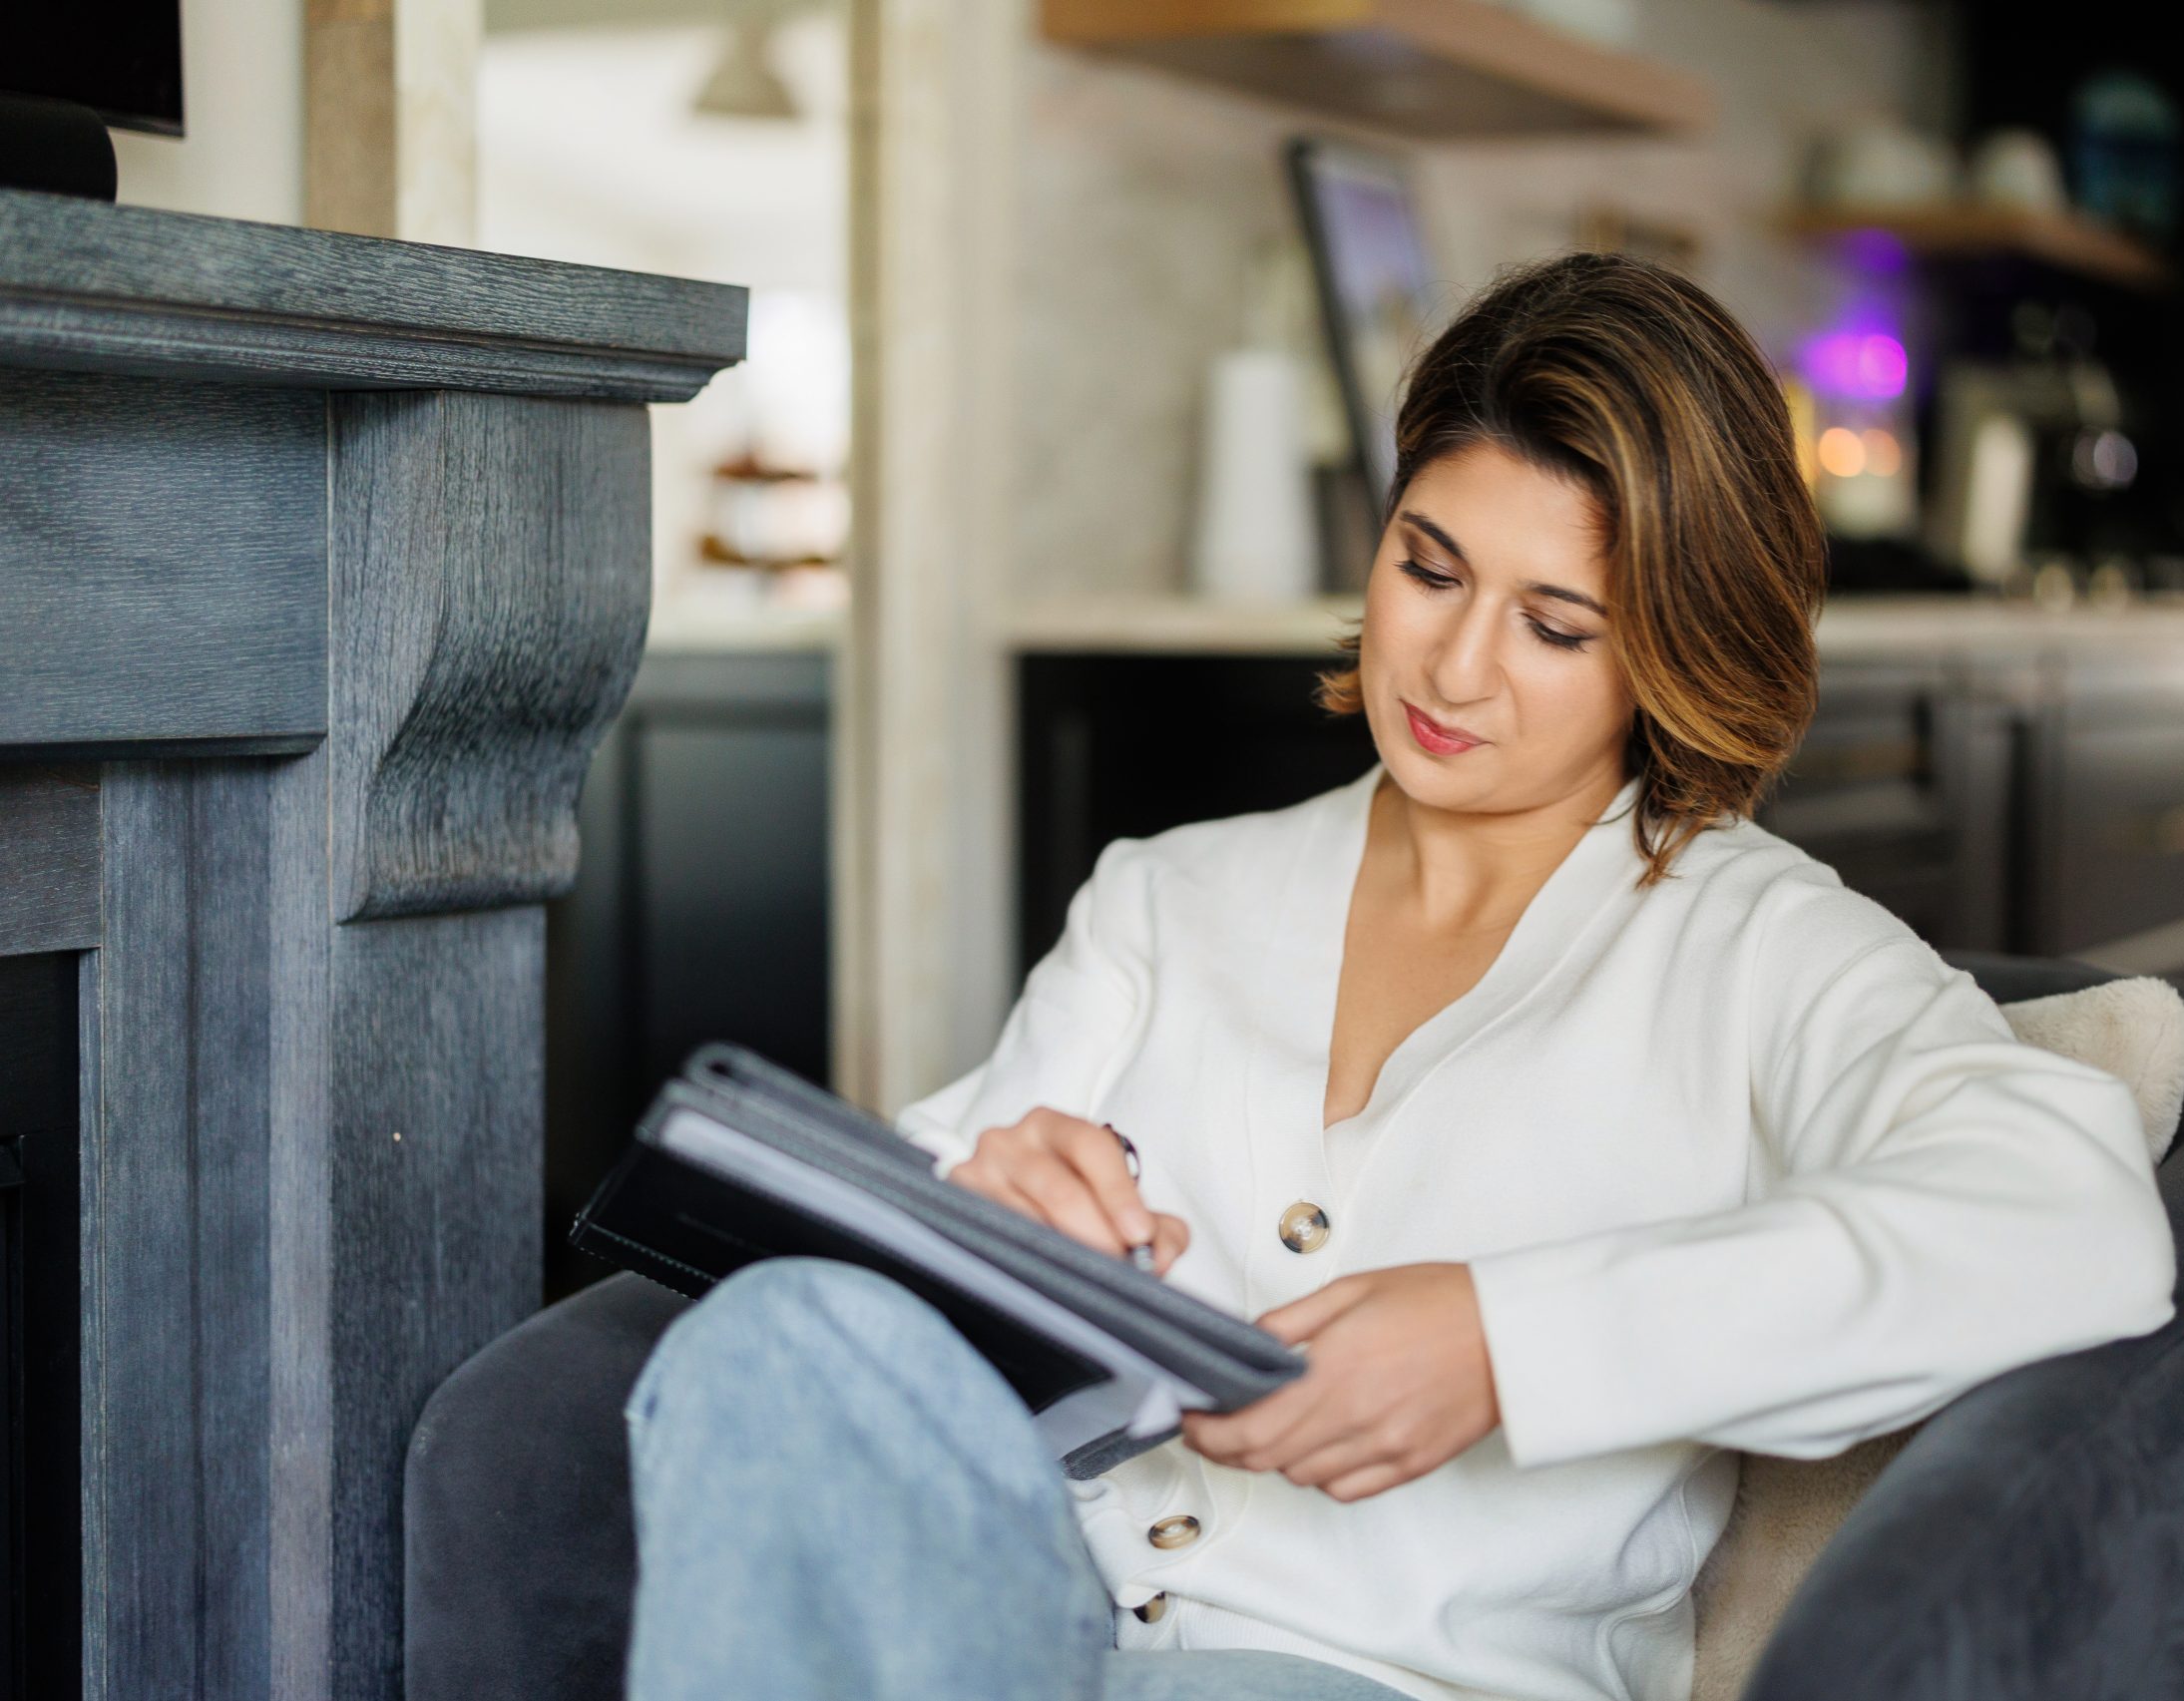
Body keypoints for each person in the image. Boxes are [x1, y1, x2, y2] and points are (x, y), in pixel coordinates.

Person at [620, 251, 2177, 1701]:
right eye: (1427, 568)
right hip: (1035, 1635)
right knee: (779, 1334)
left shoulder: (1760, 950)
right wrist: (985, 1190)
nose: (1449, 668)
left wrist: (1506, 1342)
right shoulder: (1170, 897)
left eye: (1555, 626)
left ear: (1671, 653)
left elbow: (2072, 1216)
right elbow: (921, 1283)